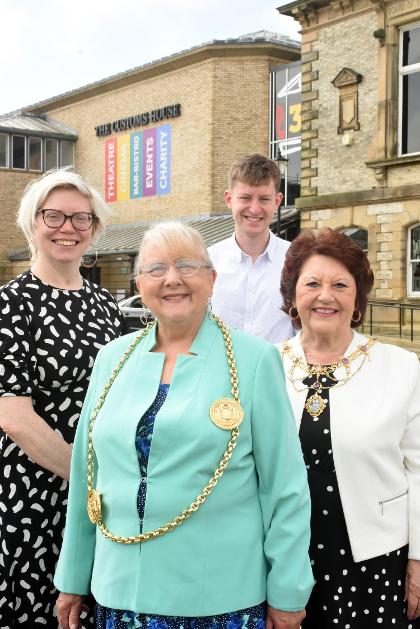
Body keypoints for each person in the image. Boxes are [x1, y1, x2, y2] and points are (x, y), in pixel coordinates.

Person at [54, 221, 313, 629]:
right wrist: (71, 576)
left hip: (218, 600)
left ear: (212, 279)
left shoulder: (256, 360)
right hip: (118, 595)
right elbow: (87, 475)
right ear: (139, 282)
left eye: (187, 266)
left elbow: (285, 488)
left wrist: (288, 591)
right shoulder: (111, 358)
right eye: (156, 269)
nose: (172, 279)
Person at [0, 169, 126, 628]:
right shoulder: (11, 304)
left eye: (80, 218)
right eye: (54, 216)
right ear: (32, 222)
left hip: (102, 489)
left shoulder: (107, 306)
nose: (67, 228)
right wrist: (86, 477)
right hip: (37, 491)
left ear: (94, 229)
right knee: (41, 608)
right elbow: (13, 416)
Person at [277, 228, 420, 628]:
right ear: (292, 296)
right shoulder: (264, 365)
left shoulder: (401, 367)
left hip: (375, 562)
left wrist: (419, 559)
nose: (326, 296)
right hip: (282, 560)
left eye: (340, 284)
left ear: (357, 298)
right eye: (312, 284)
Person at [208, 153, 293, 343]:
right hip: (222, 370)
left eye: (264, 199)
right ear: (229, 199)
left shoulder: (297, 260)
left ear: (277, 201)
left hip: (280, 371)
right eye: (245, 198)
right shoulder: (208, 261)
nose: (254, 209)